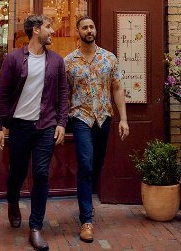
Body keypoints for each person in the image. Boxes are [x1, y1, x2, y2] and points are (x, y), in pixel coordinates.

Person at [0, 15, 69, 251]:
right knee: (17, 172)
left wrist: (61, 122)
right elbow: (3, 93)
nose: (52, 31)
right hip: (19, 125)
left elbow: (63, 94)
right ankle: (13, 201)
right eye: (48, 27)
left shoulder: (56, 61)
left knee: (41, 173)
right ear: (36, 30)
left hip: (45, 125)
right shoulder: (14, 58)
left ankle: (35, 227)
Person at [64, 16, 129, 243]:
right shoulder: (69, 62)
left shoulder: (109, 58)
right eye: (84, 27)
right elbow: (65, 95)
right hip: (81, 118)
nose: (89, 30)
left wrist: (124, 119)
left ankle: (87, 199)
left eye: (92, 26)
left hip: (104, 118)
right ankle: (86, 220)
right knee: (85, 164)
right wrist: (61, 124)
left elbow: (118, 87)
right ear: (78, 32)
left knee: (96, 163)